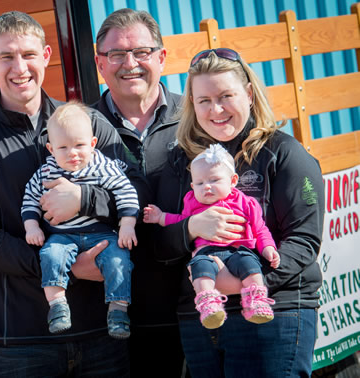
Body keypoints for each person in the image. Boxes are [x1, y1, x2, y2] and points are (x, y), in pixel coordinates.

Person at [0, 11, 143, 376]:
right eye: (6, 56)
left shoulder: (90, 123)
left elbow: (137, 197)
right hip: (21, 342)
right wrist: (68, 269)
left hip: (102, 332)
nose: (19, 67)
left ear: (47, 55)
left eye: (28, 55)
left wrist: (84, 200)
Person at [152, 47, 324, 377]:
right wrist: (190, 227)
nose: (216, 109)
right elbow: (159, 244)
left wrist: (241, 283)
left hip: (273, 313)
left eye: (225, 96)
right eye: (203, 100)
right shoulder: (180, 163)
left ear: (248, 93)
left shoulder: (283, 153)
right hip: (201, 320)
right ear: (192, 104)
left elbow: (303, 241)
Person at [91, 8, 187, 375]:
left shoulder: (196, 117)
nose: (129, 63)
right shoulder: (82, 129)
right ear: (100, 63)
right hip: (120, 316)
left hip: (198, 301)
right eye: (116, 54)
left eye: (141, 52)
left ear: (161, 57)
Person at [22, 101, 138, 339]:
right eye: (63, 147)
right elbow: (29, 199)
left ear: (93, 144)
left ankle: (118, 311)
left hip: (103, 234)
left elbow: (126, 192)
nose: (72, 153)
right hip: (62, 235)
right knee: (50, 255)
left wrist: (127, 224)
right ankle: (57, 306)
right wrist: (31, 225)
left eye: (79, 145)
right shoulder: (46, 172)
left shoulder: (103, 165)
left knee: (119, 260)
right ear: (51, 149)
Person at [144, 144, 280, 329]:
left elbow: (260, 229)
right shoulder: (192, 202)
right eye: (199, 183)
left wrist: (268, 248)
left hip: (239, 250)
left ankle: (256, 301)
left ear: (233, 180)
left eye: (214, 180)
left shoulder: (246, 203)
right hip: (206, 252)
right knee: (199, 268)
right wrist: (161, 217)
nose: (206, 187)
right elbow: (182, 221)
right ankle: (208, 303)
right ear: (192, 186)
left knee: (251, 265)